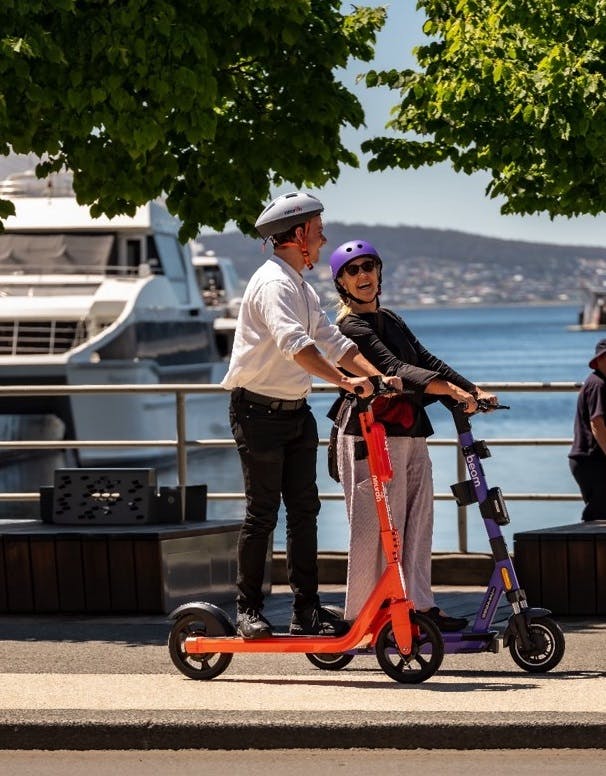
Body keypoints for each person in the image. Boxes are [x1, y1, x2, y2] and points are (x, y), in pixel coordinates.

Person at [221, 196, 401, 639]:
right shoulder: (274, 285)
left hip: (295, 413)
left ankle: (306, 610)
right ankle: (248, 611)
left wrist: (382, 378)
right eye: (318, 229)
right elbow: (297, 346)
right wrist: (344, 383)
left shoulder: (300, 285)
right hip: (257, 412)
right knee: (262, 513)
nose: (323, 238)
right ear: (299, 234)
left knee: (305, 511)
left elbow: (334, 341)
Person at [328, 239, 498, 631]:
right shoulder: (348, 327)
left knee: (419, 520)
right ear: (341, 283)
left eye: (368, 266)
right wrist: (447, 391)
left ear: (379, 271)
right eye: (353, 271)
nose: (363, 275)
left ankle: (419, 605)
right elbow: (391, 367)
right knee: (374, 526)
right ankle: (365, 614)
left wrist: (472, 389)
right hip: (369, 433)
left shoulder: (391, 319)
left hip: (408, 429)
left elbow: (425, 360)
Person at [568, 338, 606, 522]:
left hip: (592, 459)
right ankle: (584, 548)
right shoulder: (598, 384)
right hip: (591, 460)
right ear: (599, 360)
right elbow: (597, 424)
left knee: (599, 514)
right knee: (598, 515)